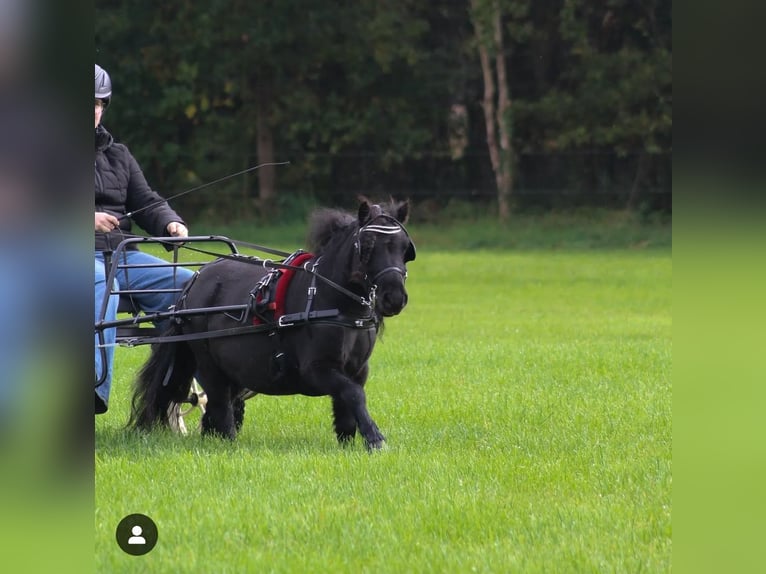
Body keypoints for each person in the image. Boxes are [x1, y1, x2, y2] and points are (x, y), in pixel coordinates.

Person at [95, 63, 194, 414]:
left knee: (189, 287)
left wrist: (170, 224)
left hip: (123, 256)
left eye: (95, 103)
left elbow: (147, 201)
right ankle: (93, 387)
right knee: (101, 292)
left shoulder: (119, 155)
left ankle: (169, 389)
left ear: (103, 107)